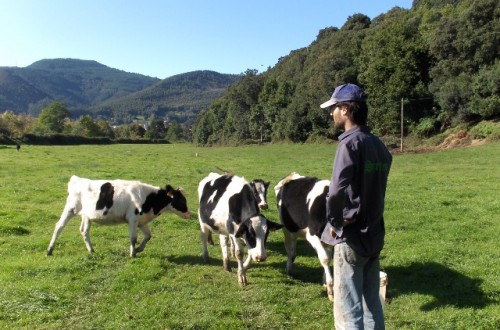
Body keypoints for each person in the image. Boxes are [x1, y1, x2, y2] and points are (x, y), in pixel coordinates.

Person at [320, 83, 392, 330]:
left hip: (351, 239)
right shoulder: (379, 145)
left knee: (348, 310)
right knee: (372, 302)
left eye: (334, 108)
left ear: (347, 109)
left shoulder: (349, 144)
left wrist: (335, 223)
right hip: (374, 235)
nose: (332, 114)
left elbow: (336, 191)